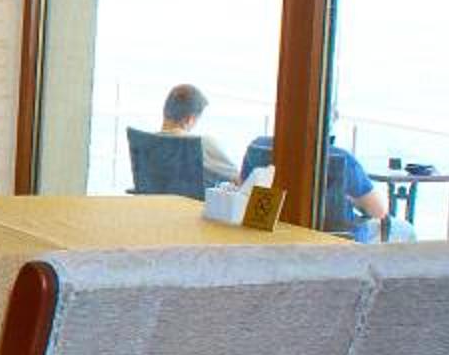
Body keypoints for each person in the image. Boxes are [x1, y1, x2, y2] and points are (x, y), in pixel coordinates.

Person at [237, 133, 403, 240]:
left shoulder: (257, 148)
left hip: (272, 230)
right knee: (404, 230)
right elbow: (378, 211)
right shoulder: (341, 158)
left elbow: (243, 189)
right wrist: (353, 200)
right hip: (337, 239)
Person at [160, 83, 237, 188]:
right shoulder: (201, 144)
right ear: (190, 120)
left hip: (153, 198)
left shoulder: (144, 143)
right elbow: (240, 178)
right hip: (193, 199)